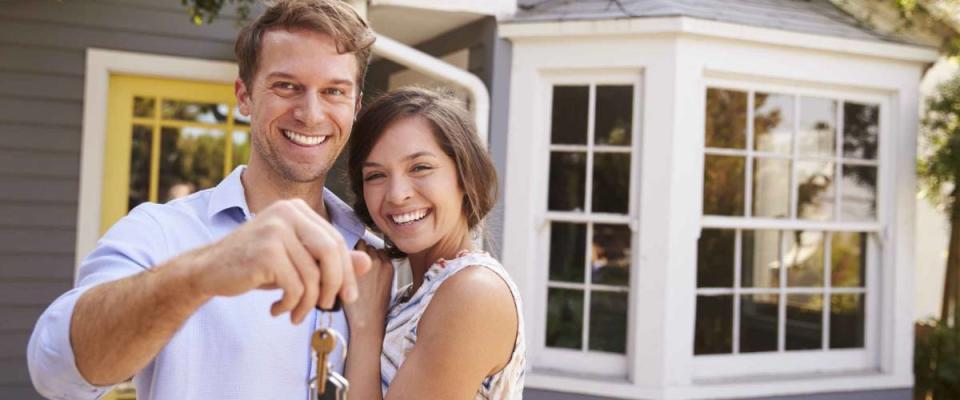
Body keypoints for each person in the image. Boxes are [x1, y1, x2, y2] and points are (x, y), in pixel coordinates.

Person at [26, 1, 384, 399]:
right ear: (244, 96)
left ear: (354, 106)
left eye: (334, 91)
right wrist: (204, 271)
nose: (311, 114)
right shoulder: (162, 233)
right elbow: (55, 371)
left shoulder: (381, 256)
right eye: (286, 86)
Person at [342, 88, 526, 399]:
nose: (397, 194)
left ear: (464, 174)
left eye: (420, 167)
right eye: (376, 175)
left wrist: (364, 328)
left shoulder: (473, 293)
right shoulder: (409, 297)